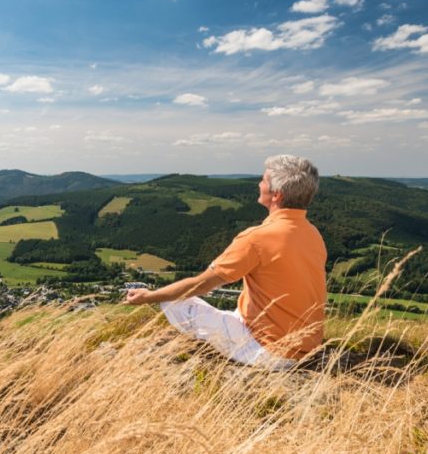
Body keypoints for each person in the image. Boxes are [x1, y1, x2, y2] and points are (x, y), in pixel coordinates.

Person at [124, 155, 327, 370]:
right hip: (307, 346)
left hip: (270, 351)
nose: (259, 183)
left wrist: (149, 297)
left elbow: (201, 285)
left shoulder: (256, 238)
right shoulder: (313, 234)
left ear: (276, 194)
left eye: (263, 180)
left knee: (172, 300)